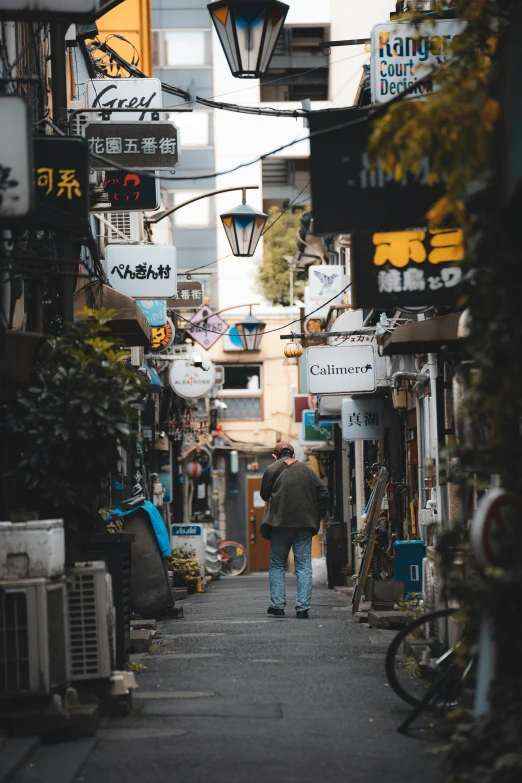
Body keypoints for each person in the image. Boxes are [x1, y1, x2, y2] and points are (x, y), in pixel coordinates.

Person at [260, 442, 329, 619]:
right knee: (304, 565)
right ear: (292, 454)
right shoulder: (306, 470)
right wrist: (316, 515)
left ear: (276, 455)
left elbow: (263, 495)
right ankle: (302, 609)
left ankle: (277, 606)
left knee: (277, 564)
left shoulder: (271, 469)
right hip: (304, 525)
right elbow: (323, 493)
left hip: (279, 524)